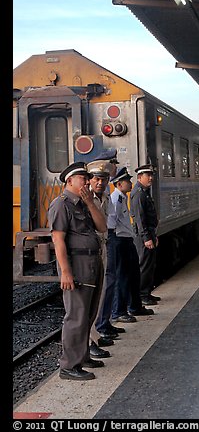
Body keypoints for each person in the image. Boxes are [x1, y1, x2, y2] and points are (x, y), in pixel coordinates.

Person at [47, 162, 107, 380]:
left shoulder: (84, 203)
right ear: (69, 181)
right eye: (83, 177)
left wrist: (91, 203)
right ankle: (69, 365)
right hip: (78, 265)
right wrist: (65, 272)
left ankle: (83, 356)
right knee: (76, 315)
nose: (87, 181)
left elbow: (102, 227)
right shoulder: (61, 205)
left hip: (92, 262)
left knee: (89, 312)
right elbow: (59, 241)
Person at [109, 167, 154, 323]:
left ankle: (135, 306)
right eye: (128, 181)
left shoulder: (122, 198)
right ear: (120, 184)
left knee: (133, 274)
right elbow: (111, 224)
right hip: (119, 240)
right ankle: (118, 311)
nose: (130, 183)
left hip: (128, 239)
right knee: (121, 276)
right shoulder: (115, 199)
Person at [86, 150, 117, 358]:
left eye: (104, 179)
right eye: (97, 179)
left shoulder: (104, 197)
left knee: (101, 293)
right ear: (90, 180)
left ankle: (95, 335)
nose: (100, 183)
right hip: (89, 252)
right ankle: (88, 343)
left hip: (102, 247)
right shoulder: (84, 199)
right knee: (87, 300)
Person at [130, 164, 161, 306]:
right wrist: (146, 237)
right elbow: (140, 218)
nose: (151, 178)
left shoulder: (144, 191)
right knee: (144, 265)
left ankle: (147, 292)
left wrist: (153, 235)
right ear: (139, 177)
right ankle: (142, 295)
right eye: (147, 175)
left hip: (149, 233)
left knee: (150, 265)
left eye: (151, 175)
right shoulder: (139, 193)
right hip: (143, 236)